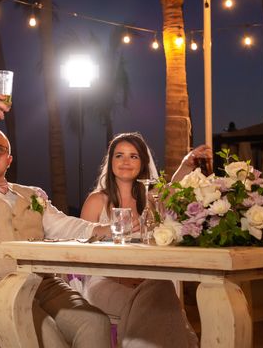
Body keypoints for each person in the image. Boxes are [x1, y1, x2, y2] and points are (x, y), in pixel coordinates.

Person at [0, 93, 112, 348]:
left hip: (44, 286)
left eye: (0, 149)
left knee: (95, 323)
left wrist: (104, 229)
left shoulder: (32, 195)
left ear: (9, 160)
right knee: (44, 332)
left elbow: (65, 227)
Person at [79, 132, 211, 348]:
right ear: (110, 161)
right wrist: (121, 277)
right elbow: (81, 249)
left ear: (143, 163)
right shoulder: (96, 201)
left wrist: (186, 166)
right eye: (119, 155)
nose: (125, 162)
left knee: (160, 288)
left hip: (149, 282)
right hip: (104, 281)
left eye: (133, 156)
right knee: (160, 306)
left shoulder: (151, 200)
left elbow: (172, 193)